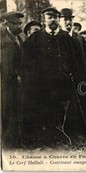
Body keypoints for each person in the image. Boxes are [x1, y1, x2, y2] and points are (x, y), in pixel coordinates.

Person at [22, 7, 85, 147]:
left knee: (67, 112)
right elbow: (26, 62)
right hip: (44, 85)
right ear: (44, 20)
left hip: (65, 83)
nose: (53, 20)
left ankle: (67, 138)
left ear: (58, 20)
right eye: (50, 17)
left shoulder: (66, 38)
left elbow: (76, 61)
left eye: (56, 17)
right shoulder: (35, 39)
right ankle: (49, 140)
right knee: (46, 112)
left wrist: (77, 77)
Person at [59, 8, 86, 133]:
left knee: (83, 102)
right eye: (64, 19)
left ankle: (82, 131)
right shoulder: (58, 37)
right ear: (60, 21)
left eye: (69, 19)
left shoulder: (79, 38)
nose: (67, 22)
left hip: (80, 76)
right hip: (64, 77)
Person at [0, 11, 24, 148]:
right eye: (16, 23)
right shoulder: (3, 40)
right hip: (5, 83)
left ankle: (13, 141)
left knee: (15, 110)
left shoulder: (17, 37)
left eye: (21, 23)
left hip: (14, 83)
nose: (19, 26)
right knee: (6, 110)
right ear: (6, 23)